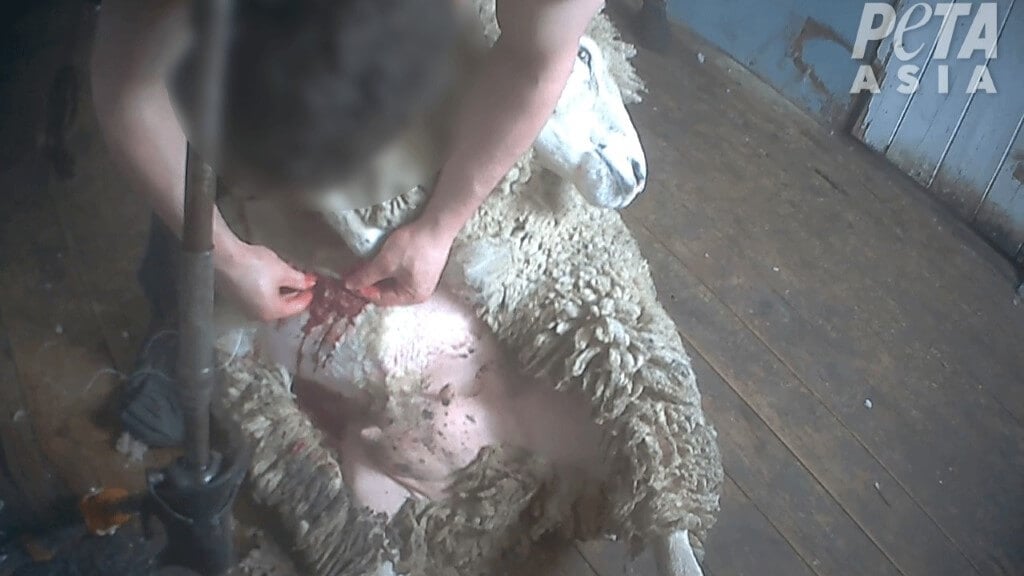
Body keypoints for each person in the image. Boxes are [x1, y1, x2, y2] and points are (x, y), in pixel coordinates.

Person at [91, 0, 604, 446]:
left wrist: (440, 226)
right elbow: (129, 88)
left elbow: (535, 61)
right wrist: (222, 256)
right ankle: (181, 309)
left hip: (426, 81)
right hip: (244, 74)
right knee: (204, 142)